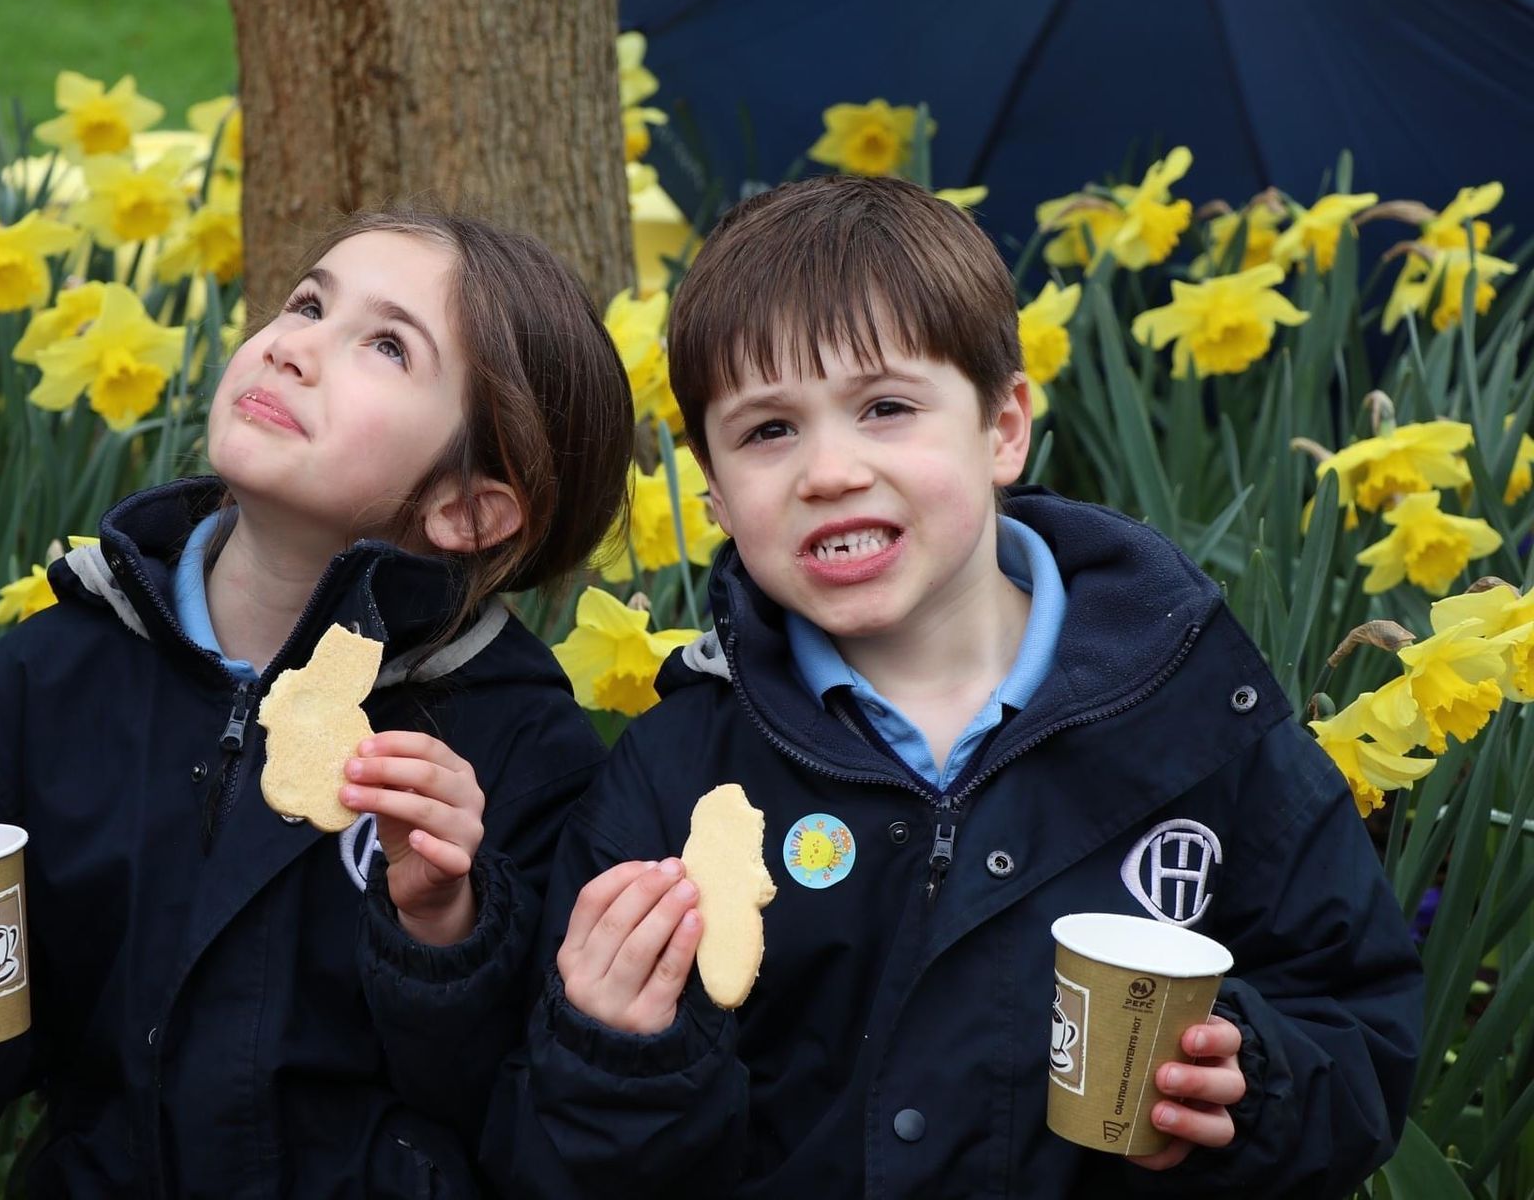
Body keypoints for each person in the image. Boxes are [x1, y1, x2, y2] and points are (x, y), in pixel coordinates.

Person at [482, 175, 1422, 1196]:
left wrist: (1251, 1089)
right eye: (768, 430)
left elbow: (1361, 1037)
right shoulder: (674, 780)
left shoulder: (1198, 719)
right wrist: (614, 1056)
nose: (830, 470)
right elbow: (546, 1160)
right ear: (712, 492)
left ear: (1004, 426)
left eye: (886, 407)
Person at [0, 207, 635, 1196]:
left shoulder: (511, 742)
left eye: (384, 345)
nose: (293, 347)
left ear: (466, 508)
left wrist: (446, 926)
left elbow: (520, 1106)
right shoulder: (51, 678)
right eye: (306, 303)